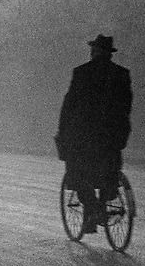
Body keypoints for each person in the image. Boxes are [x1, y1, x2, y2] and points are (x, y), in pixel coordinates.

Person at [56, 34, 133, 234]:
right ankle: (105, 200)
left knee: (78, 171)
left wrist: (63, 131)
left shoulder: (81, 73)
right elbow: (126, 105)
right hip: (112, 136)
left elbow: (69, 105)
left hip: (85, 136)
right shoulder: (121, 74)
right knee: (111, 171)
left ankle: (91, 210)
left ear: (94, 51)